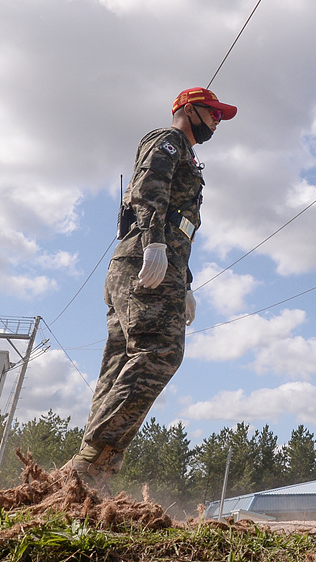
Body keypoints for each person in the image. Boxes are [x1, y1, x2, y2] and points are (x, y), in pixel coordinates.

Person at [63, 87, 237, 489]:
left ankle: (88, 477)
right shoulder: (169, 140)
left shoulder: (189, 157)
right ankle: (92, 462)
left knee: (119, 365)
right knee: (161, 351)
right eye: (212, 113)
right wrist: (153, 242)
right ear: (189, 109)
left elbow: (181, 227)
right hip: (146, 260)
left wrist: (186, 282)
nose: (216, 122)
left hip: (156, 264)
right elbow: (148, 190)